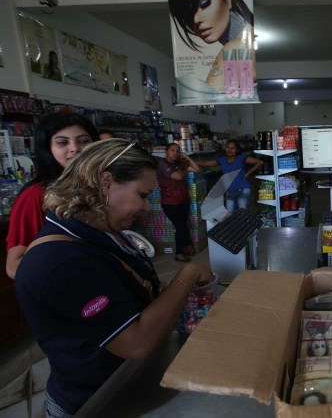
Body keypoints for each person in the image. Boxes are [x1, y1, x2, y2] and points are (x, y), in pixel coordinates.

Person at [14, 139, 214, 417]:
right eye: (142, 195)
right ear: (105, 182)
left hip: (128, 382)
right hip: (95, 400)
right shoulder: (64, 261)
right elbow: (136, 342)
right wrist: (187, 276)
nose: (146, 208)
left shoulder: (102, 231)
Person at [5, 111, 99, 279]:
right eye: (62, 142)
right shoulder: (36, 195)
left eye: (84, 141)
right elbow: (14, 266)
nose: (75, 149)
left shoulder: (97, 185)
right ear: (47, 148)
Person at [168, 0, 255, 93]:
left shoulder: (235, 50)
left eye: (205, 3)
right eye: (187, 13)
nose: (196, 19)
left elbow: (209, 101)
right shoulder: (247, 40)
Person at [157, 143, 201, 262]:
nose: (175, 153)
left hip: (183, 200)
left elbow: (197, 169)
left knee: (182, 226)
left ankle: (186, 247)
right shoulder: (162, 163)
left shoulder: (179, 163)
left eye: (177, 151)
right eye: (172, 150)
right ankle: (180, 253)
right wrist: (184, 172)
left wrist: (187, 157)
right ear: (166, 151)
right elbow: (178, 177)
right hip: (170, 202)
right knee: (181, 227)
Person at [197, 139, 262, 211]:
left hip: (244, 190)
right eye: (228, 147)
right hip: (230, 192)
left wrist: (248, 173)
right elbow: (206, 164)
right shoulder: (222, 160)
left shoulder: (241, 158)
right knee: (230, 214)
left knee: (242, 213)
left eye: (233, 148)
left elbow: (259, 162)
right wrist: (189, 160)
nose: (229, 150)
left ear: (237, 150)